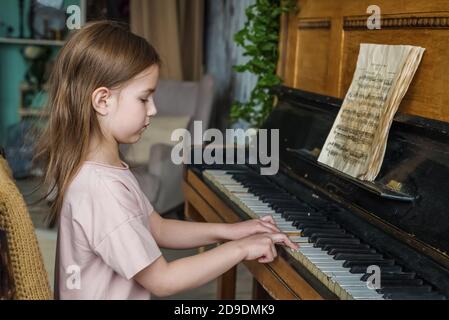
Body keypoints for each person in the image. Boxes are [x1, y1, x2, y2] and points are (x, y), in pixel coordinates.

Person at [34, 20, 298, 300]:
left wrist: (232, 231)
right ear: (102, 101)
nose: (154, 109)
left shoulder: (106, 171)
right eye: (144, 98)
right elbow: (163, 280)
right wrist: (242, 249)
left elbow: (157, 228)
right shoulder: (102, 189)